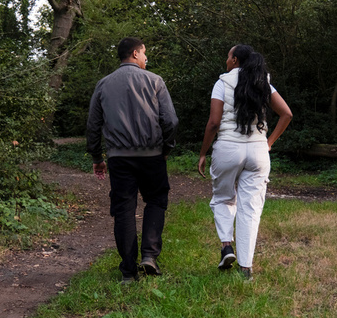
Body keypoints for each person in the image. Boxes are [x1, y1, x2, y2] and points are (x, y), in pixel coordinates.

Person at [87, 37, 179, 285]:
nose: (146, 58)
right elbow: (170, 121)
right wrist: (166, 148)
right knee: (157, 200)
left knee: (124, 210)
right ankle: (149, 255)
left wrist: (97, 157)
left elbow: (93, 125)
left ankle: (128, 271)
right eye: (145, 53)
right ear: (136, 53)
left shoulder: (103, 84)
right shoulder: (155, 81)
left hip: (119, 158)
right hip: (152, 156)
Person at [198, 45, 292, 281]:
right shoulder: (263, 83)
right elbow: (287, 114)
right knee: (250, 210)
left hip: (228, 149)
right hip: (258, 151)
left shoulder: (222, 83)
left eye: (228, 56)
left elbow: (213, 122)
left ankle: (226, 246)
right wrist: (269, 142)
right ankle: (245, 269)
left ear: (235, 60)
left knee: (223, 198)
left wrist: (203, 153)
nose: (226, 60)